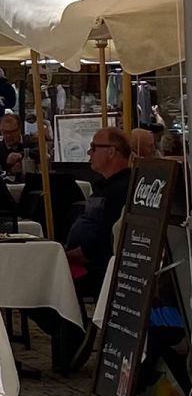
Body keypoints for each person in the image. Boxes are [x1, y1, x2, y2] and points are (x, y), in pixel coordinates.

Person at [66, 126, 131, 294]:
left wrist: (68, 256)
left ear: (111, 152)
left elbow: (105, 240)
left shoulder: (121, 189)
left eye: (93, 147)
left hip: (96, 268)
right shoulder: (105, 186)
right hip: (80, 260)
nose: (89, 152)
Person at [0, 113, 26, 180]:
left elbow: (41, 153)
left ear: (20, 129)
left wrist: (22, 155)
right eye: (4, 132)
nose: (8, 136)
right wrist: (10, 171)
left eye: (12, 132)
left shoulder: (30, 142)